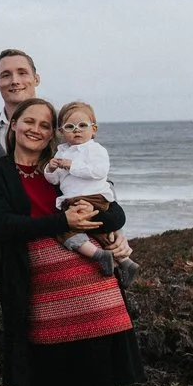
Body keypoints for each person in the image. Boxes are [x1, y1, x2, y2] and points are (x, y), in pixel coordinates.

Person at [0, 97, 143, 386]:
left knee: (96, 361)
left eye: (44, 125)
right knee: (47, 361)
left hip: (90, 277)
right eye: (29, 121)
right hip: (36, 280)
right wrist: (62, 222)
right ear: (15, 125)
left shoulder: (68, 165)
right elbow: (5, 226)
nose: (36, 129)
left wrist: (114, 231)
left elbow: (113, 211)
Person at [45, 101, 130, 273]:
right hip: (73, 198)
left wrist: (71, 166)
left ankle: (100, 255)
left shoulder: (95, 150)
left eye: (82, 125)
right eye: (70, 126)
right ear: (61, 132)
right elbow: (55, 180)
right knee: (93, 229)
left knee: (66, 229)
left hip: (94, 196)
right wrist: (50, 168)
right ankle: (126, 262)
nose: (76, 130)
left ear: (94, 129)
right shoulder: (61, 152)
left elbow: (99, 172)